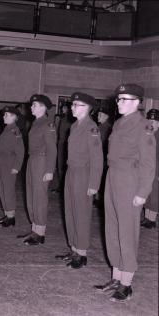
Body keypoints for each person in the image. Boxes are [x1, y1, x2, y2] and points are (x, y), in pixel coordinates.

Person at [94, 84, 156, 302]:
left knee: (127, 233)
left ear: (137, 102)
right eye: (118, 99)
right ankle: (117, 276)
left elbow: (148, 164)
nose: (118, 103)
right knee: (111, 229)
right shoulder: (118, 123)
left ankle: (127, 284)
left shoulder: (144, 126)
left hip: (130, 181)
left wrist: (142, 192)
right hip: (113, 178)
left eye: (123, 99)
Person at [55, 92, 103, 269]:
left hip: (84, 174)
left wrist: (93, 184)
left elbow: (97, 159)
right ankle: (74, 248)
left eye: (76, 105)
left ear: (87, 108)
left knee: (81, 214)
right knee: (70, 211)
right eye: (73, 105)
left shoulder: (92, 129)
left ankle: (82, 253)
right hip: (71, 172)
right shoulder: (74, 126)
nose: (72, 108)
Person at [22, 95, 57, 245]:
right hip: (32, 160)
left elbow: (52, 149)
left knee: (40, 198)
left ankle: (40, 232)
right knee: (31, 195)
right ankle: (35, 229)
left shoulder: (48, 124)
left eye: (34, 105)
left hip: (42, 162)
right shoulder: (36, 123)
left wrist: (50, 170)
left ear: (43, 107)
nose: (31, 107)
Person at [0, 106, 24, 227]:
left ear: (14, 117)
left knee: (8, 190)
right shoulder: (7, 129)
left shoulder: (15, 131)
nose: (3, 117)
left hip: (10, 163)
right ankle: (7, 214)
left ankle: (11, 217)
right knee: (2, 188)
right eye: (4, 115)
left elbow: (20, 151)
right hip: (2, 162)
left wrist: (16, 167)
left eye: (6, 115)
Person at [141, 108, 159, 229]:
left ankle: (151, 219)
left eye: (154, 121)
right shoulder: (147, 134)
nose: (151, 124)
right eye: (149, 121)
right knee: (147, 192)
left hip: (156, 169)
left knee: (155, 194)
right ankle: (147, 217)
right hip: (146, 168)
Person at [53, 102, 74, 193]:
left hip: (66, 145)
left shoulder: (71, 120)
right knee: (59, 165)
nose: (62, 110)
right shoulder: (63, 119)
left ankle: (64, 187)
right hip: (60, 144)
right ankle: (60, 186)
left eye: (64, 108)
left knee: (63, 166)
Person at [95, 105, 113, 205]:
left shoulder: (108, 128)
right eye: (98, 114)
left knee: (102, 178)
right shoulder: (99, 127)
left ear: (106, 116)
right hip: (98, 157)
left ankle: (100, 199)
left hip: (103, 157)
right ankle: (97, 197)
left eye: (100, 114)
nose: (98, 116)